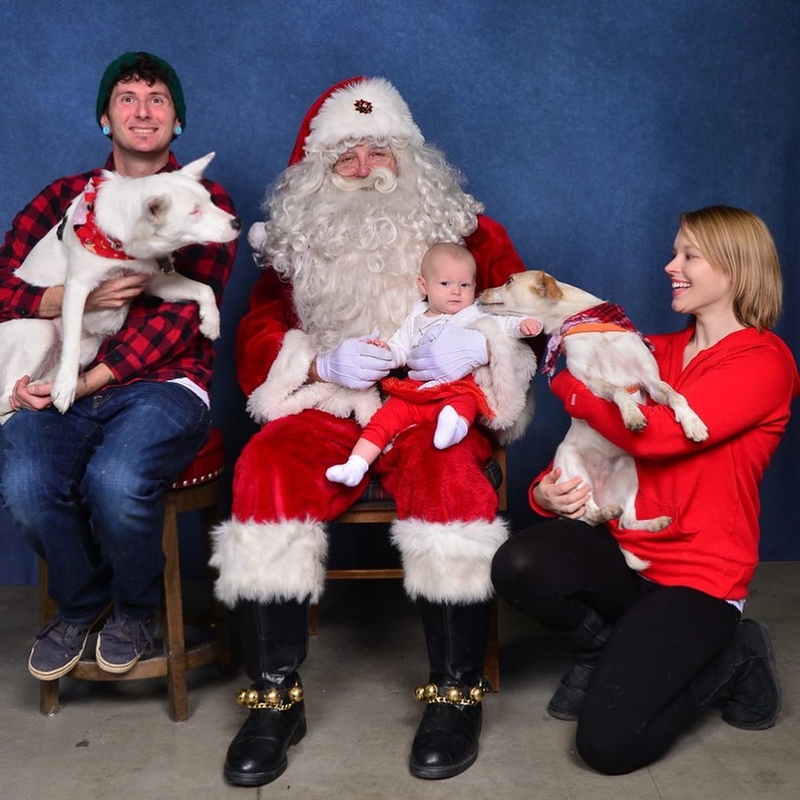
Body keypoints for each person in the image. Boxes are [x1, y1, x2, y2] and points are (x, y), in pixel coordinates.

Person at [210, 76, 540, 787]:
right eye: (345, 157)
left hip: (435, 406)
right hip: (333, 402)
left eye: (378, 150)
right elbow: (261, 328)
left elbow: (530, 309)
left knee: (452, 480)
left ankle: (455, 692)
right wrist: (318, 359)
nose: (364, 168)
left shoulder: (469, 229)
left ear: (408, 156)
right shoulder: (295, 241)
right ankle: (275, 696)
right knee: (263, 467)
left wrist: (485, 347)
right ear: (317, 172)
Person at [491, 206, 799, 775]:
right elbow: (591, 444)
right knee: (519, 563)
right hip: (626, 553)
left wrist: (567, 383)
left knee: (609, 746)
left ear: (734, 269)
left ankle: (735, 656)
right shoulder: (649, 350)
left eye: (689, 256)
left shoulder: (763, 362)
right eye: (674, 252)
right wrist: (546, 493)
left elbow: (656, 440)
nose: (669, 266)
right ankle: (600, 645)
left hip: (699, 580)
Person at [0, 52, 237, 680]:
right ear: (105, 118)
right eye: (127, 98)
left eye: (157, 99)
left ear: (177, 122)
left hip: (161, 384)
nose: (142, 110)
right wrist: (61, 300)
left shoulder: (199, 202)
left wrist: (85, 383)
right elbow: (3, 288)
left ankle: (136, 609)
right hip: (62, 371)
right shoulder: (64, 200)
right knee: (25, 483)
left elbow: (177, 319)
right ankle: (81, 604)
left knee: (117, 478)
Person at [326, 242, 543, 486]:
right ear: (423, 285)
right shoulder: (416, 316)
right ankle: (356, 465)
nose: (456, 292)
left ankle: (452, 429)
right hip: (416, 391)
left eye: (465, 285)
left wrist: (523, 325)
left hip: (455, 388)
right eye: (445, 284)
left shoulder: (473, 312)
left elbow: (502, 325)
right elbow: (400, 349)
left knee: (467, 401)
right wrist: (385, 351)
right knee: (384, 419)